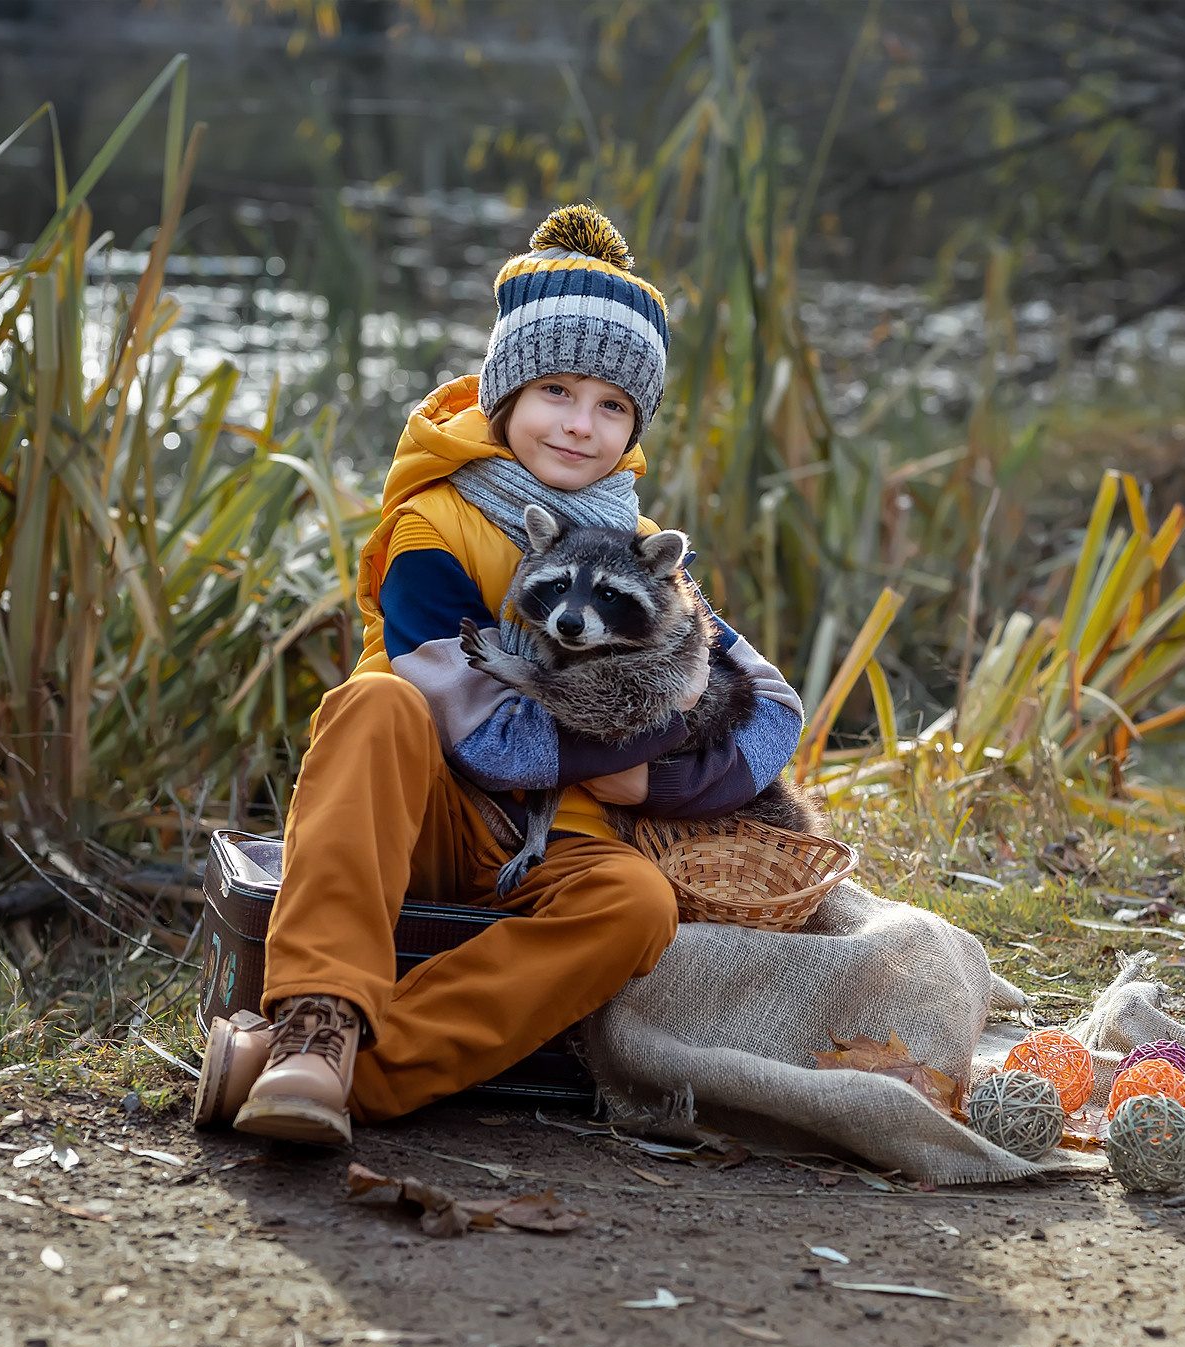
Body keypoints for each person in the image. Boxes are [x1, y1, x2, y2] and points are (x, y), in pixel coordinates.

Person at [231, 205, 807, 1144]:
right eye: (557, 392)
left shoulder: (632, 544)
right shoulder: (434, 529)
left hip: (561, 838)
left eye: (613, 406)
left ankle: (358, 1080)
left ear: (635, 426)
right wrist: (656, 719)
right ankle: (316, 1024)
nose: (582, 426)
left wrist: (655, 781)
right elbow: (493, 743)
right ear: (506, 394)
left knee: (635, 903)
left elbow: (774, 709)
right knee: (375, 702)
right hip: (425, 813)